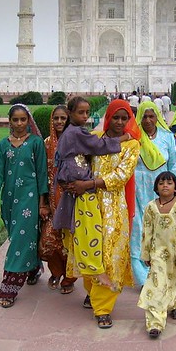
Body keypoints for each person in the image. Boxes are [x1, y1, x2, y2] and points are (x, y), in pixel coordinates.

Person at [63, 100, 140, 328]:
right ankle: (93, 293)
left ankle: (103, 308)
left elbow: (120, 177)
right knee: (90, 252)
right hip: (88, 206)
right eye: (115, 117)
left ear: (129, 120)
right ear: (108, 117)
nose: (119, 122)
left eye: (124, 118)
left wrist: (87, 184)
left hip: (114, 207)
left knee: (112, 256)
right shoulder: (94, 138)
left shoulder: (132, 145)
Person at [52, 97, 128, 293]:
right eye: (81, 113)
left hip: (78, 186)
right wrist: (122, 139)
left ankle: (92, 270)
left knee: (84, 232)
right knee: (90, 232)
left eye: (87, 112)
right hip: (82, 189)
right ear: (70, 113)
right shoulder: (75, 132)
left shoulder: (71, 133)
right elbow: (98, 146)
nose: (85, 116)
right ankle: (96, 270)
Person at [0, 104, 48, 308]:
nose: (20, 124)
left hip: (29, 200)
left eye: (23, 119)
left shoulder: (35, 143)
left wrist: (42, 203)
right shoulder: (3, 145)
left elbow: (42, 174)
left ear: (28, 121)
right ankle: (32, 269)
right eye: (16, 120)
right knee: (18, 237)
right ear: (10, 121)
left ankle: (10, 285)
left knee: (18, 242)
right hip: (9, 201)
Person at [137, 171, 176, 339]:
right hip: (157, 253)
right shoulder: (151, 207)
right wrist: (145, 254)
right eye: (161, 183)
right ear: (156, 187)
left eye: (169, 183)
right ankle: (155, 323)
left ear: (175, 188)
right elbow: (146, 232)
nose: (165, 185)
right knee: (156, 284)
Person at [131, 100, 176, 286]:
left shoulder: (167, 137)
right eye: (144, 116)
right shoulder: (133, 136)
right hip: (137, 191)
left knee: (162, 232)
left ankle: (162, 272)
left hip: (162, 191)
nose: (148, 120)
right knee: (138, 232)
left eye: (152, 116)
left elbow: (174, 163)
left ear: (157, 117)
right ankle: (144, 279)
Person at [38, 105, 78, 294]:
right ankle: (56, 271)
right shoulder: (46, 144)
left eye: (63, 118)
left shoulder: (76, 142)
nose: (60, 122)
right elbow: (41, 175)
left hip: (73, 199)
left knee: (71, 242)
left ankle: (69, 278)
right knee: (49, 242)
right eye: (56, 118)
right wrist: (43, 203)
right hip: (53, 200)